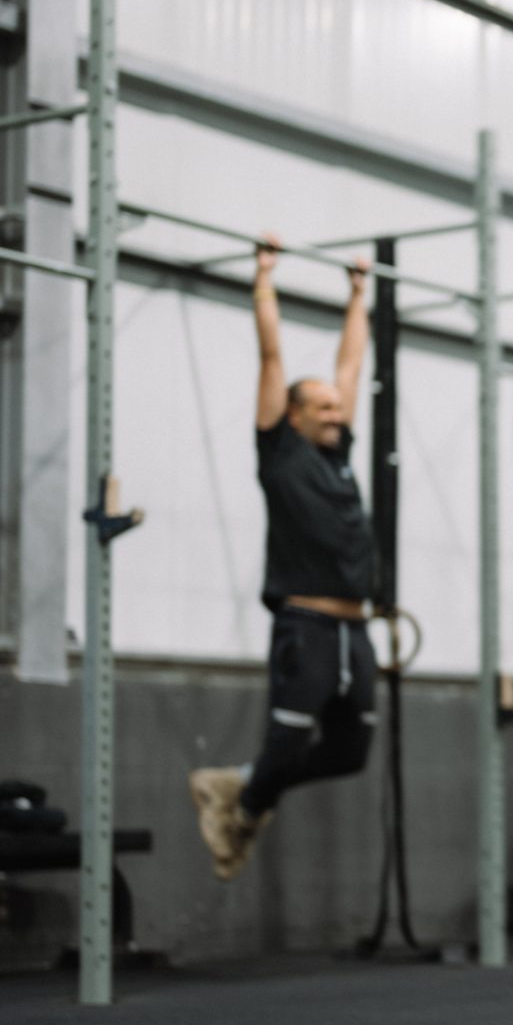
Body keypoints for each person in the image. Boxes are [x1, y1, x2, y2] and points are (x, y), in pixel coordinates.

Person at [188, 235, 377, 880]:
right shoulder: (280, 451)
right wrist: (265, 276)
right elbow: (271, 356)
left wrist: (358, 294)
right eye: (321, 406)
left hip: (356, 627)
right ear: (292, 415)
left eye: (337, 407)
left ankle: (238, 785)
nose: (335, 412)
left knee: (351, 751)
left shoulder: (337, 454)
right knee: (290, 741)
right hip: (307, 624)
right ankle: (245, 807)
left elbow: (352, 364)